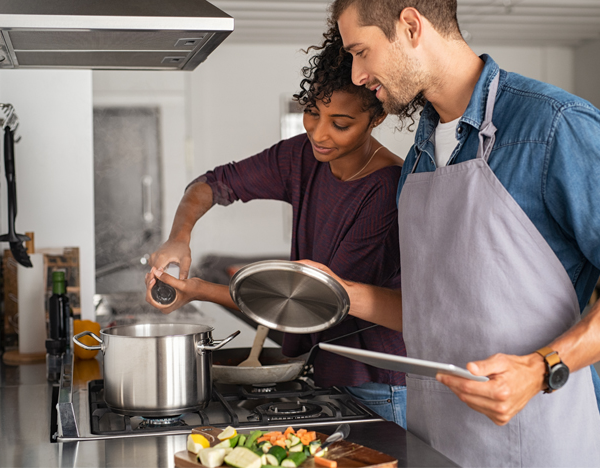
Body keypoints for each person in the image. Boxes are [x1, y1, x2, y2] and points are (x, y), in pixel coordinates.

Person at [295, 0, 600, 466]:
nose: (356, 75)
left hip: (545, 443)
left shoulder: (551, 124)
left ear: (411, 26)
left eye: (361, 52)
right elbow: (439, 314)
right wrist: (334, 290)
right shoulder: (418, 156)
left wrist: (542, 369)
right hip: (442, 441)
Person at [145, 30, 409, 428]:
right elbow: (212, 185)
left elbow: (317, 304)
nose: (319, 134)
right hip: (328, 369)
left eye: (340, 123)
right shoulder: (302, 155)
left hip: (378, 383)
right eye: (312, 112)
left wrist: (199, 290)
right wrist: (178, 237)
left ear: (377, 118)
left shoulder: (385, 188)